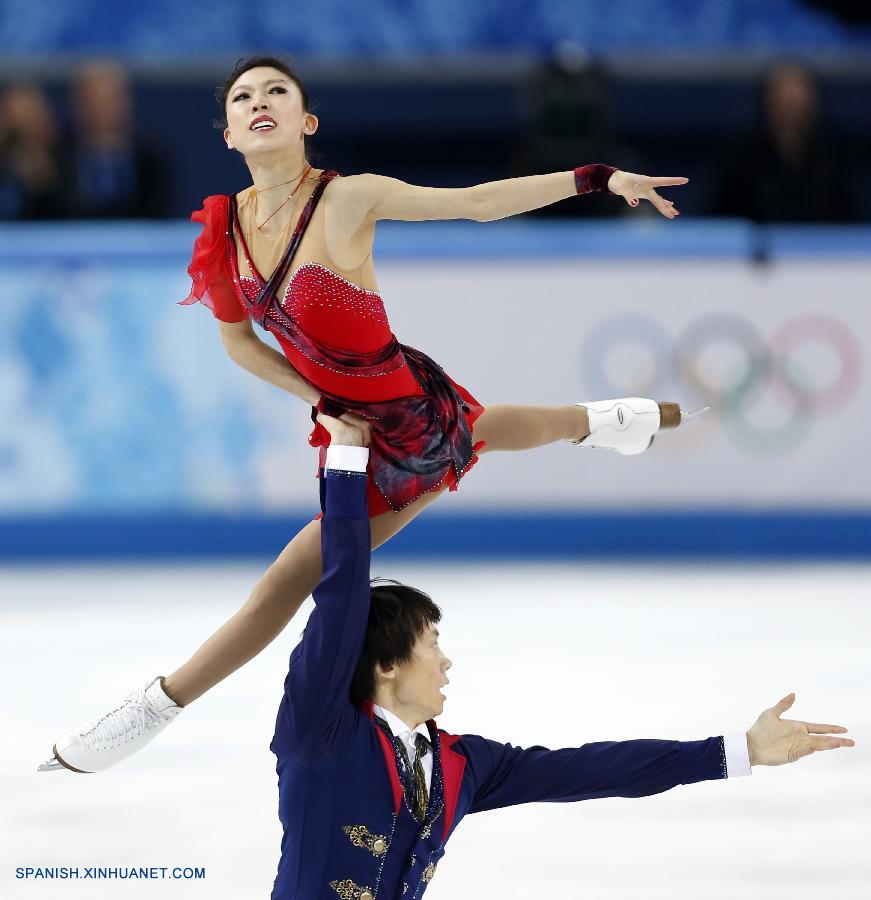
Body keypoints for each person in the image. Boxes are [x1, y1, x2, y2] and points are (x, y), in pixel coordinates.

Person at [39, 55, 700, 776]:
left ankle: (150, 711)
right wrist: (320, 401)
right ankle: (604, 422)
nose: (260, 102)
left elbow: (475, 203)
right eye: (243, 97)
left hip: (404, 420)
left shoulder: (348, 200)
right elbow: (236, 344)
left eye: (277, 93)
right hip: (348, 420)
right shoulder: (223, 229)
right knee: (485, 432)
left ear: (305, 121)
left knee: (292, 575)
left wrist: (595, 178)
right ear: (227, 132)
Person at [255, 414, 854, 897]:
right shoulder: (322, 730)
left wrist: (737, 751)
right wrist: (345, 460)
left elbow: (593, 770)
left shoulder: (462, 765)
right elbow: (340, 589)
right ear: (385, 664)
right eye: (432, 645)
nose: (447, 664)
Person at [712, 61, 855, 223]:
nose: (790, 114)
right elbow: (722, 216)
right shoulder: (741, 153)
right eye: (784, 104)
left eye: (798, 105)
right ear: (767, 103)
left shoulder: (833, 154)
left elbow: (847, 217)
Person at [62, 60, 169, 219]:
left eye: (109, 101)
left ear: (126, 103)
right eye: (93, 101)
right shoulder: (58, 157)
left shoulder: (151, 159)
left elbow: (157, 214)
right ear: (77, 104)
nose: (102, 110)